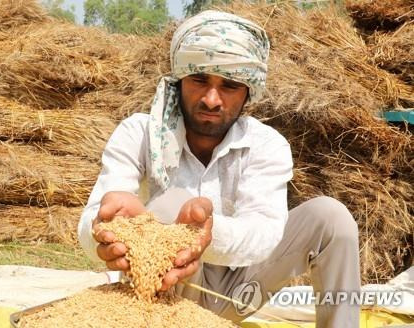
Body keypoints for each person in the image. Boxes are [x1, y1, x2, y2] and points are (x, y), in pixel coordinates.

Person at [79, 10, 360, 328]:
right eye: (199, 80)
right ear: (181, 79)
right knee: (172, 202)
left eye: (229, 85)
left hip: (237, 293)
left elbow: (265, 233)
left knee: (331, 218)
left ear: (247, 92)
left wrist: (208, 234)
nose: (212, 99)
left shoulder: (266, 144)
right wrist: (106, 228)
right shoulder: (138, 133)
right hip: (163, 294)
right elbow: (91, 223)